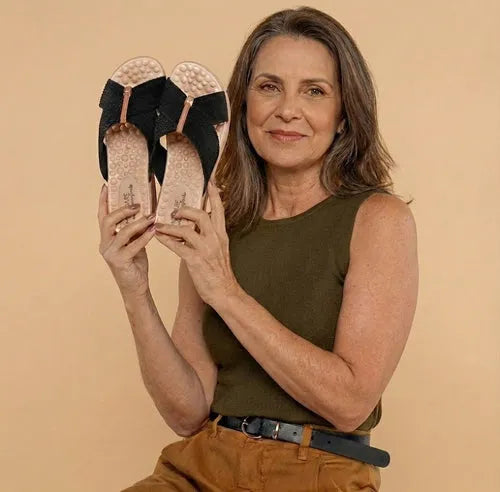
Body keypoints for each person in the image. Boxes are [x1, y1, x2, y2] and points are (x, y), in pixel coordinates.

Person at [98, 6, 418, 491]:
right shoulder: (216, 220)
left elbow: (349, 404)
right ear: (242, 104)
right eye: (269, 86)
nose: (287, 110)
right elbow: (186, 413)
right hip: (204, 463)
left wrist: (225, 290)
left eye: (314, 91)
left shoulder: (378, 220)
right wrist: (134, 287)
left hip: (316, 470)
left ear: (343, 115)